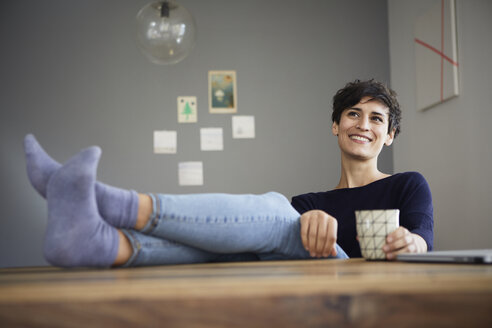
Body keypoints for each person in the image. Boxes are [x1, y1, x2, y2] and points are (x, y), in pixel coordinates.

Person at [23, 79, 433, 268]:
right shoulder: (310, 204)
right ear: (335, 125)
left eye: (377, 119)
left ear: (390, 135)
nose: (363, 124)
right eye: (353, 114)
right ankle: (104, 246)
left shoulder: (407, 184)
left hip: (360, 278)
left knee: (274, 209)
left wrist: (410, 243)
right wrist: (305, 221)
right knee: (246, 246)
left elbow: (424, 242)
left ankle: (106, 202)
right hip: (311, 279)